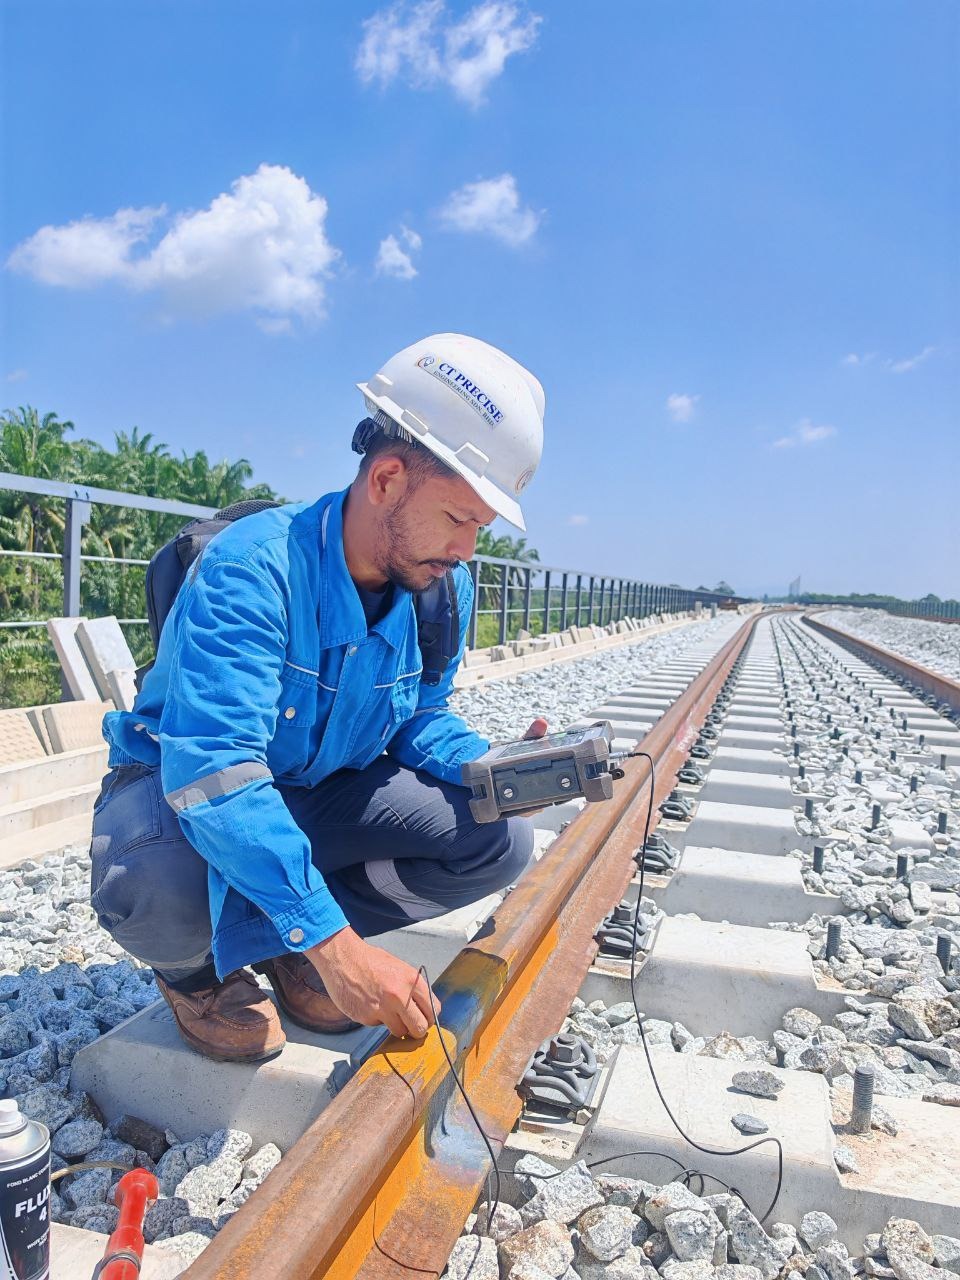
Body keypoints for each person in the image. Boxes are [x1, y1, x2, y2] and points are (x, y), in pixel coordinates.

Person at [89, 333, 547, 1063]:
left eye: (480, 530)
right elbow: (215, 773)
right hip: (191, 802)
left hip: (313, 798)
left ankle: (280, 938)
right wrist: (341, 950)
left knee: (496, 838)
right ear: (388, 480)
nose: (467, 550)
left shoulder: (439, 587)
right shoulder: (254, 570)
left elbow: (422, 718)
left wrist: (489, 768)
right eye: (458, 520)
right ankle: (201, 974)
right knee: (146, 873)